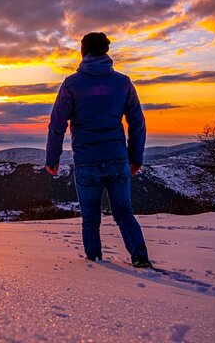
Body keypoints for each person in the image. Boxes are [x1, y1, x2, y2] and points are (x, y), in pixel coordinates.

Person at [45, 32, 151, 268]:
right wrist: (136, 157)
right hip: (117, 159)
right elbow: (137, 122)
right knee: (124, 213)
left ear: (83, 52)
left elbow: (57, 124)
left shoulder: (72, 84)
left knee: (90, 219)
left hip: (86, 161)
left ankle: (95, 264)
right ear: (106, 51)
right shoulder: (123, 82)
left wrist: (52, 158)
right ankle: (140, 257)